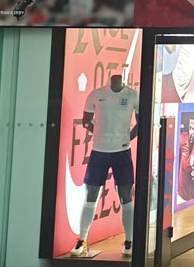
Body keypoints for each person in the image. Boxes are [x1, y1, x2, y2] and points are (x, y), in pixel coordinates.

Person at [71, 74, 139, 258]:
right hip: (99, 151)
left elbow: (141, 123)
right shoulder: (96, 94)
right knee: (91, 193)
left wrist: (126, 139)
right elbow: (86, 120)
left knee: (126, 195)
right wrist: (99, 133)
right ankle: (82, 239)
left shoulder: (133, 95)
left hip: (122, 152)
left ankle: (129, 240)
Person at [178, 117, 194, 201]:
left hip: (190, 194)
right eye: (190, 128)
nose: (192, 132)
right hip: (180, 194)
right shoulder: (182, 137)